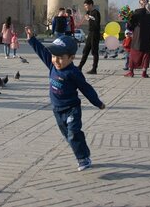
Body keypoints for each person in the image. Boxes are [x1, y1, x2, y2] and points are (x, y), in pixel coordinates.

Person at [25, 26, 105, 171]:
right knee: (69, 136)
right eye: (54, 56)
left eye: (61, 58)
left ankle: (83, 159)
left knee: (73, 133)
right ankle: (84, 152)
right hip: (57, 110)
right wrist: (31, 39)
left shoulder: (73, 72)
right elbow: (42, 51)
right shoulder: (52, 65)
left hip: (72, 109)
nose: (56, 60)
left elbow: (86, 88)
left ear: (71, 58)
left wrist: (97, 102)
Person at [125, 0, 150, 78]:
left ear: (140, 4)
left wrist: (128, 20)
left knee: (133, 54)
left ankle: (131, 72)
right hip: (148, 37)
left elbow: (130, 26)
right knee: (146, 55)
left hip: (138, 37)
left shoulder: (136, 12)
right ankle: (144, 72)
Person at [77, 0, 101, 75]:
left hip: (95, 33)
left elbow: (96, 24)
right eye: (84, 6)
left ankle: (94, 69)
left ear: (91, 5)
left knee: (94, 51)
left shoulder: (95, 12)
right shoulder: (88, 12)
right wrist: (88, 18)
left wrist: (90, 18)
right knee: (85, 50)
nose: (85, 7)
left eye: (86, 5)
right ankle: (80, 67)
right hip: (90, 33)